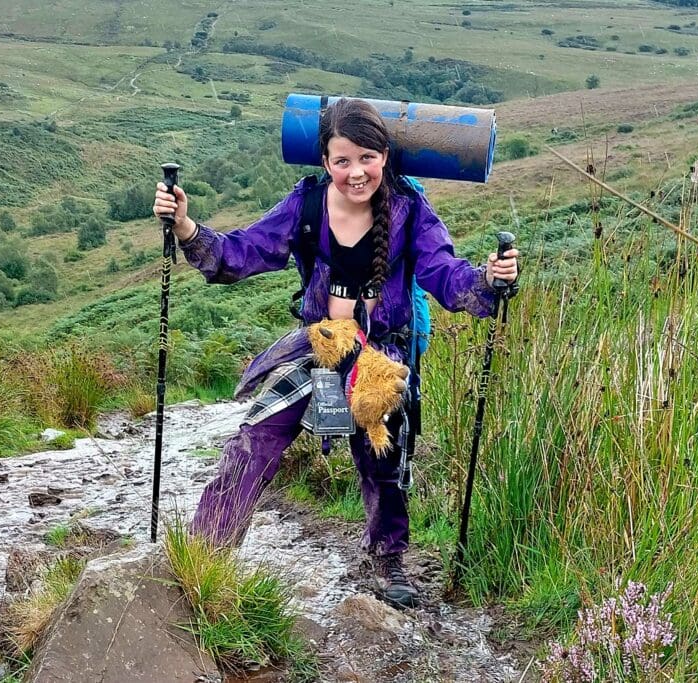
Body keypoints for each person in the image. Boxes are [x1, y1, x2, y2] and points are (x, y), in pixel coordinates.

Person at [152, 97, 518, 607]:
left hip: (380, 357)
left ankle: (388, 559)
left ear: (385, 156)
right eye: (342, 161)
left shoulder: (411, 210)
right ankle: (203, 555)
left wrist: (488, 280)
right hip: (318, 347)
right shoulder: (305, 205)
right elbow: (242, 252)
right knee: (255, 439)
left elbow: (446, 276)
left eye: (367, 158)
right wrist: (188, 229)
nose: (356, 173)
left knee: (383, 459)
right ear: (325, 162)